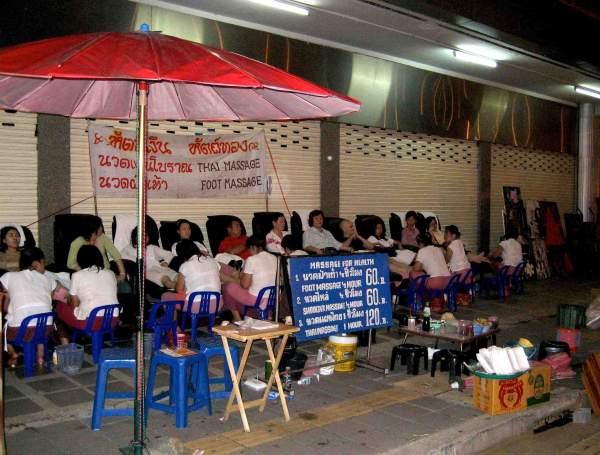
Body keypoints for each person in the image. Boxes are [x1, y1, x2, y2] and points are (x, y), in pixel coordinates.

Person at [1, 247, 56, 368]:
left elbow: (4, 306)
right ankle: (40, 357)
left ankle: (13, 353)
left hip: (21, 330)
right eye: (44, 263)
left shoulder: (9, 276)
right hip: (46, 329)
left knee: (2, 331)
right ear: (37, 263)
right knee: (39, 321)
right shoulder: (48, 279)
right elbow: (48, 302)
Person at [56, 245, 118, 343]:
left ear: (80, 260)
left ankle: (67, 342)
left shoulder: (77, 275)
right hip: (112, 320)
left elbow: (75, 305)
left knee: (60, 307)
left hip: (90, 322)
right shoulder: (110, 273)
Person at [222, 236, 278, 321]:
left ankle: (237, 318)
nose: (249, 252)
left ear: (253, 247)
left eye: (249, 250)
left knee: (227, 286)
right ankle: (267, 316)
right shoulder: (275, 258)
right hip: (274, 298)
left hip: (257, 299)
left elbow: (245, 285)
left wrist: (238, 277)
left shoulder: (252, 259)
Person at [67, 216, 126, 283]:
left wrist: (122, 274)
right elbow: (70, 263)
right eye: (100, 226)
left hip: (105, 273)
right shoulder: (77, 242)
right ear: (93, 229)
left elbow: (116, 255)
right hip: (86, 275)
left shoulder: (103, 237)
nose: (102, 228)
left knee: (124, 287)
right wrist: (86, 272)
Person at [173, 239, 223, 315]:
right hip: (217, 304)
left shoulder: (185, 265)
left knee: (166, 297)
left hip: (195, 306)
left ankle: (174, 325)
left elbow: (179, 289)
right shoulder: (213, 261)